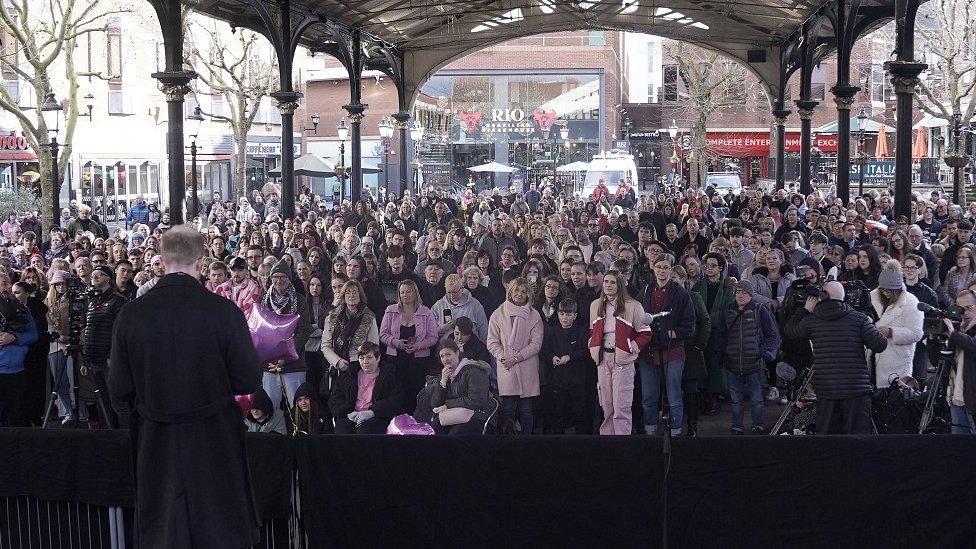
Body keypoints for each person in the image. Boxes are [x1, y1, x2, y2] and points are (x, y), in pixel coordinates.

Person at [108, 225, 263, 548]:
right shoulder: (224, 312)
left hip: (156, 442)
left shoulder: (132, 314)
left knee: (163, 532)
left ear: (160, 259)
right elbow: (249, 378)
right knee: (219, 529)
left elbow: (119, 388)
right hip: (214, 440)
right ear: (202, 260)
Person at [784, 281, 888, 434]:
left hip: (827, 391)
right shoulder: (858, 319)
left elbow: (789, 331)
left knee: (829, 440)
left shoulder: (812, 320)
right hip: (856, 390)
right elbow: (880, 345)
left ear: (823, 296)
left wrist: (805, 310)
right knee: (860, 439)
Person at [637, 254, 695, 435]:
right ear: (653, 269)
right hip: (648, 351)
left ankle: (675, 433)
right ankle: (650, 432)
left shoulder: (681, 293)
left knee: (674, 396)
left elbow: (690, 323)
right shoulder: (645, 290)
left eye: (665, 267)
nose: (662, 271)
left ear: (671, 269)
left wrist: (674, 333)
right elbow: (637, 316)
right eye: (658, 267)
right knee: (648, 397)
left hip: (673, 351)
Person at [588, 271, 652, 435]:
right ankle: (608, 442)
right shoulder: (595, 305)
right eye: (606, 282)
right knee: (606, 405)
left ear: (620, 285)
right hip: (603, 360)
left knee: (621, 405)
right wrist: (592, 346)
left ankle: (622, 443)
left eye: (612, 282)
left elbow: (645, 332)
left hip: (622, 361)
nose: (608, 285)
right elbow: (592, 331)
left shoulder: (634, 306)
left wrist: (630, 348)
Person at [714, 280, 780, 435]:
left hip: (754, 363)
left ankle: (758, 424)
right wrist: (721, 355)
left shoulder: (760, 311)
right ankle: (737, 425)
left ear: (751, 294)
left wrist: (761, 351)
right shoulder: (727, 311)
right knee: (735, 399)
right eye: (737, 292)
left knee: (757, 399)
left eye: (744, 292)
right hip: (732, 362)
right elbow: (720, 336)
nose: (740, 295)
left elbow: (772, 335)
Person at [487, 276, 544, 434]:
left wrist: (517, 358)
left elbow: (536, 344)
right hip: (506, 367)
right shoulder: (498, 314)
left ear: (528, 295)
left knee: (527, 410)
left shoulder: (535, 315)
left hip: (527, 367)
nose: (520, 294)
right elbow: (492, 342)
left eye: (524, 291)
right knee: (508, 410)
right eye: (517, 290)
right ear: (510, 291)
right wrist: (503, 357)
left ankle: (527, 442)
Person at [379, 279, 439, 413]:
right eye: (402, 292)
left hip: (418, 362)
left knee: (415, 394)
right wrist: (397, 343)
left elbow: (433, 337)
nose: (405, 295)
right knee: (396, 394)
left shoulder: (426, 312)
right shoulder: (390, 311)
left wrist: (418, 346)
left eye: (408, 291)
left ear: (415, 293)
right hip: (395, 360)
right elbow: (382, 334)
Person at [261, 260, 312, 412]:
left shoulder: (300, 301)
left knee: (296, 407)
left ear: (289, 278)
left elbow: (303, 331)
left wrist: (285, 356)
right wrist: (271, 357)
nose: (279, 280)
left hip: (293, 364)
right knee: (270, 407)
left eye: (283, 276)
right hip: (269, 365)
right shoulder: (263, 300)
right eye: (275, 276)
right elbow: (260, 331)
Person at [81, 265, 128, 428]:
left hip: (110, 361)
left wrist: (112, 355)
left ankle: (125, 438)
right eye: (92, 274)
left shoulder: (118, 300)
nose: (94, 277)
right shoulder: (92, 301)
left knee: (118, 403)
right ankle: (108, 437)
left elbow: (121, 332)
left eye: (98, 274)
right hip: (94, 360)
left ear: (108, 277)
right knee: (102, 402)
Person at [869, 260, 923, 388]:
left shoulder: (911, 302)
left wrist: (891, 332)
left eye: (890, 290)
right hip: (871, 357)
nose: (886, 293)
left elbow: (916, 333)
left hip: (897, 360)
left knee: (894, 398)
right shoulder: (871, 297)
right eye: (883, 289)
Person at [329, 341, 402, 434]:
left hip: (376, 417)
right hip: (351, 415)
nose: (365, 361)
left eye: (369, 357)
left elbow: (395, 400)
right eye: (361, 358)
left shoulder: (389, 376)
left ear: (378, 358)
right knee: (342, 431)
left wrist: (372, 412)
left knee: (365, 431)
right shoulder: (348, 375)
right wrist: (348, 412)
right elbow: (334, 399)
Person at [540, 299, 590, 434]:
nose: (565, 318)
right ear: (558, 314)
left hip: (577, 382)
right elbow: (543, 351)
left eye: (568, 314)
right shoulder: (552, 332)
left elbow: (588, 351)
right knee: (558, 416)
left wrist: (571, 356)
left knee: (580, 415)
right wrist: (552, 358)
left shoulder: (581, 332)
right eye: (562, 314)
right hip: (558, 382)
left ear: (575, 315)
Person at [430, 339, 493, 435]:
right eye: (442, 356)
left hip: (477, 415)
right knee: (434, 428)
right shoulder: (446, 375)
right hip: (455, 415)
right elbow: (436, 404)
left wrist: (448, 405)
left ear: (457, 353)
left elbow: (476, 401)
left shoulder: (474, 371)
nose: (445, 359)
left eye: (448, 354)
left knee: (456, 433)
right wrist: (442, 382)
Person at [942, 289, 976, 434]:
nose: (965, 313)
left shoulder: (956, 333)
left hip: (972, 398)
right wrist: (933, 339)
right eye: (960, 309)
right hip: (955, 397)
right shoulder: (956, 330)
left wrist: (954, 334)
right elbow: (938, 360)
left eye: (969, 307)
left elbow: (973, 345)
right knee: (958, 449)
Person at [431, 273, 489, 342]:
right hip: (447, 347)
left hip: (470, 348)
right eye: (449, 292)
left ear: (462, 289)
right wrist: (442, 329)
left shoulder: (475, 305)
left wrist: (483, 348)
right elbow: (429, 332)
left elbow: (483, 330)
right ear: (445, 288)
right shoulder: (438, 306)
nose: (452, 296)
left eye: (455, 292)